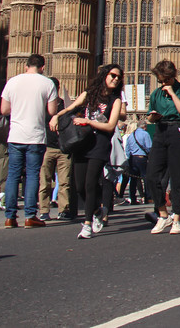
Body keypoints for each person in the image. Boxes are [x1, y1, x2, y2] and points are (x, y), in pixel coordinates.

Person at [50, 64, 124, 239]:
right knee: (80, 186)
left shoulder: (116, 100)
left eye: (118, 77)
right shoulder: (89, 94)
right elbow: (70, 109)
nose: (115, 79)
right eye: (113, 75)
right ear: (105, 75)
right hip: (83, 143)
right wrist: (56, 116)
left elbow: (110, 126)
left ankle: (88, 224)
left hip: (100, 143)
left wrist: (88, 122)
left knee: (90, 183)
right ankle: (98, 208)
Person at [0, 54, 59, 229]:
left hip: (15, 135)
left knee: (13, 176)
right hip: (35, 136)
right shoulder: (47, 83)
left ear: (26, 66)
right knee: (33, 176)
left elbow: (4, 110)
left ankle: (10, 217)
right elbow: (51, 110)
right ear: (42, 67)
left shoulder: (12, 82)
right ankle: (30, 216)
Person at [145, 60, 180, 235]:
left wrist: (172, 94)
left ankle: (177, 217)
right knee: (152, 176)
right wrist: (153, 117)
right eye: (160, 81)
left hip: (178, 130)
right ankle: (162, 214)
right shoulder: (156, 94)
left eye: (165, 80)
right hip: (160, 131)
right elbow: (149, 117)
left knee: (178, 177)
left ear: (172, 76)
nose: (162, 84)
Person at [38, 77, 73, 221]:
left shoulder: (65, 105)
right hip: (46, 147)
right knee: (44, 181)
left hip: (63, 149)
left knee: (64, 182)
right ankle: (44, 210)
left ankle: (63, 209)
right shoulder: (41, 105)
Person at [123, 122, 152, 205]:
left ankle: (133, 198)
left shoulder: (131, 135)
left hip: (132, 158)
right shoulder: (145, 134)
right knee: (145, 177)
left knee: (133, 179)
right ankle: (148, 197)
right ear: (144, 127)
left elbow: (127, 149)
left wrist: (129, 158)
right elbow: (149, 147)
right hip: (142, 157)